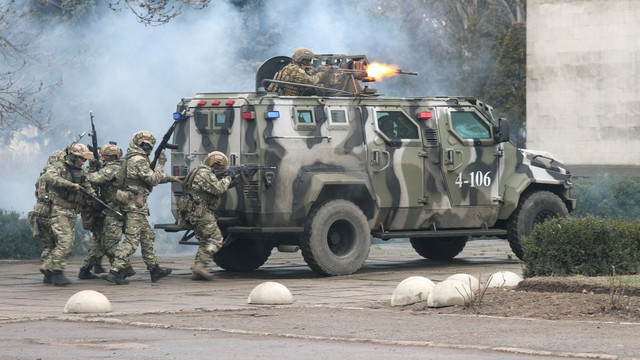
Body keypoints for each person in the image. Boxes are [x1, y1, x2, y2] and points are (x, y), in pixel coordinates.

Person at [106, 130, 181, 285]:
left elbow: (143, 179)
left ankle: (154, 269)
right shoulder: (138, 159)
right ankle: (116, 270)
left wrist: (170, 178)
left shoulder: (132, 157)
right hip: (135, 205)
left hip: (135, 204)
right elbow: (153, 179)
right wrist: (161, 162)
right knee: (132, 241)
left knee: (147, 237)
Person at [39, 143, 96, 286]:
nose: (84, 162)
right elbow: (49, 177)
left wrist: (94, 198)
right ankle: (57, 271)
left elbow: (87, 186)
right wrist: (70, 185)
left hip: (71, 211)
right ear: (73, 156)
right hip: (58, 210)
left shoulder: (81, 172)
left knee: (64, 243)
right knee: (66, 242)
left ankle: (49, 272)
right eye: (81, 159)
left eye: (85, 160)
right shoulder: (60, 166)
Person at [79, 143, 135, 280]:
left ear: (110, 157)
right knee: (100, 240)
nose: (102, 158)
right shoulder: (114, 166)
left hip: (113, 210)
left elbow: (93, 179)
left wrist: (84, 170)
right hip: (107, 209)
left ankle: (121, 269)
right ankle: (121, 268)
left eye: (104, 156)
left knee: (109, 243)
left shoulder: (113, 168)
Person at [178, 151, 237, 281]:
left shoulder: (199, 171)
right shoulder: (205, 173)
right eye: (220, 166)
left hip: (194, 212)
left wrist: (235, 180)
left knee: (205, 241)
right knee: (216, 239)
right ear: (214, 163)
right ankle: (201, 265)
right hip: (200, 212)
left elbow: (214, 188)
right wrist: (228, 177)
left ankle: (197, 269)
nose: (221, 169)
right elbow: (218, 189)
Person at [28, 149, 66, 284]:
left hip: (38, 211)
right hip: (50, 211)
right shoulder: (53, 177)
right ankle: (49, 267)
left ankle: (47, 274)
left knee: (49, 244)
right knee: (61, 243)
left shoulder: (42, 176)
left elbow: (37, 193)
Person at [268, 48, 335, 96]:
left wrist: (321, 69)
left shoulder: (292, 67)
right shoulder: (294, 70)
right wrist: (324, 72)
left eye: (310, 61)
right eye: (307, 60)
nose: (309, 63)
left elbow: (310, 71)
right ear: (300, 60)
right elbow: (312, 81)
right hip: (288, 99)